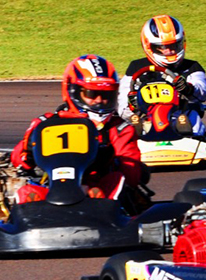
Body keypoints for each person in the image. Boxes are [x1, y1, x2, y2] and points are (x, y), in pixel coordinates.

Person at [11, 55, 144, 201]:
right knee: (25, 192)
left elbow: (131, 176)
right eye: (91, 94)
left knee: (116, 179)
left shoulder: (118, 129)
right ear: (73, 91)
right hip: (51, 191)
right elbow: (19, 161)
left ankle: (94, 198)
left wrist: (109, 156)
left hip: (100, 197)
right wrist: (28, 149)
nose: (99, 100)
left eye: (106, 95)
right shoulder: (44, 124)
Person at [118, 15, 206, 136]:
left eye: (174, 46)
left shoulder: (191, 67)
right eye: (163, 48)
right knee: (125, 125)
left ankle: (190, 137)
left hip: (179, 115)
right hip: (146, 117)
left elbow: (202, 93)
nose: (170, 51)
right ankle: (139, 133)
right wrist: (132, 104)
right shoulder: (136, 67)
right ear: (149, 46)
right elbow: (122, 105)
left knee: (192, 116)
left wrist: (188, 89)